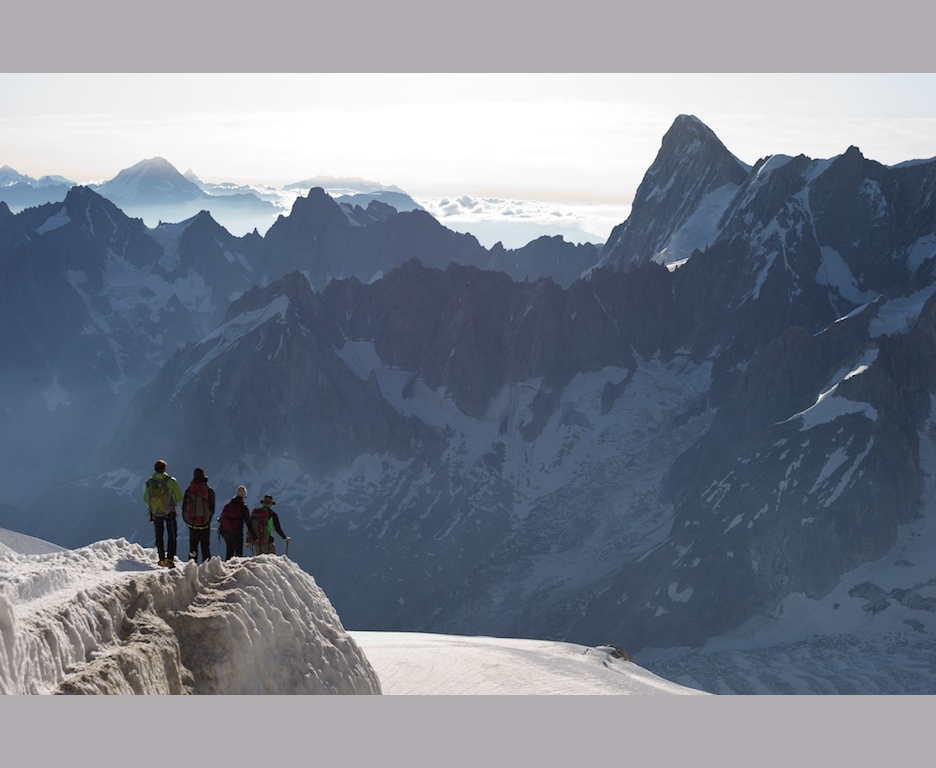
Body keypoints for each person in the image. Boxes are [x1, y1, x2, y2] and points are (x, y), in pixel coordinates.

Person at [143, 459, 183, 567]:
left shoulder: (149, 483)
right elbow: (179, 497)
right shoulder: (171, 481)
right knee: (172, 535)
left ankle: (161, 559)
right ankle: (170, 559)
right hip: (169, 511)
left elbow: (146, 499)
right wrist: (172, 503)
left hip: (156, 512)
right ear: (164, 469)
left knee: (159, 536)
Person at [181, 467, 216, 563]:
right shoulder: (209, 490)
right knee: (205, 546)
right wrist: (208, 519)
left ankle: (191, 566)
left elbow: (184, 507)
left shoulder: (189, 490)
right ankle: (207, 567)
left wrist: (188, 520)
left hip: (192, 523)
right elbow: (212, 507)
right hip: (204, 523)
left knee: (193, 546)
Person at [218, 485, 256, 561]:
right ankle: (237, 570)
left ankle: (227, 569)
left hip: (225, 532)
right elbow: (248, 522)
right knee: (238, 554)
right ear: (244, 496)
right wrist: (254, 536)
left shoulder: (228, 505)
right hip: (237, 533)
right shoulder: (243, 507)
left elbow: (221, 519)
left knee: (229, 552)